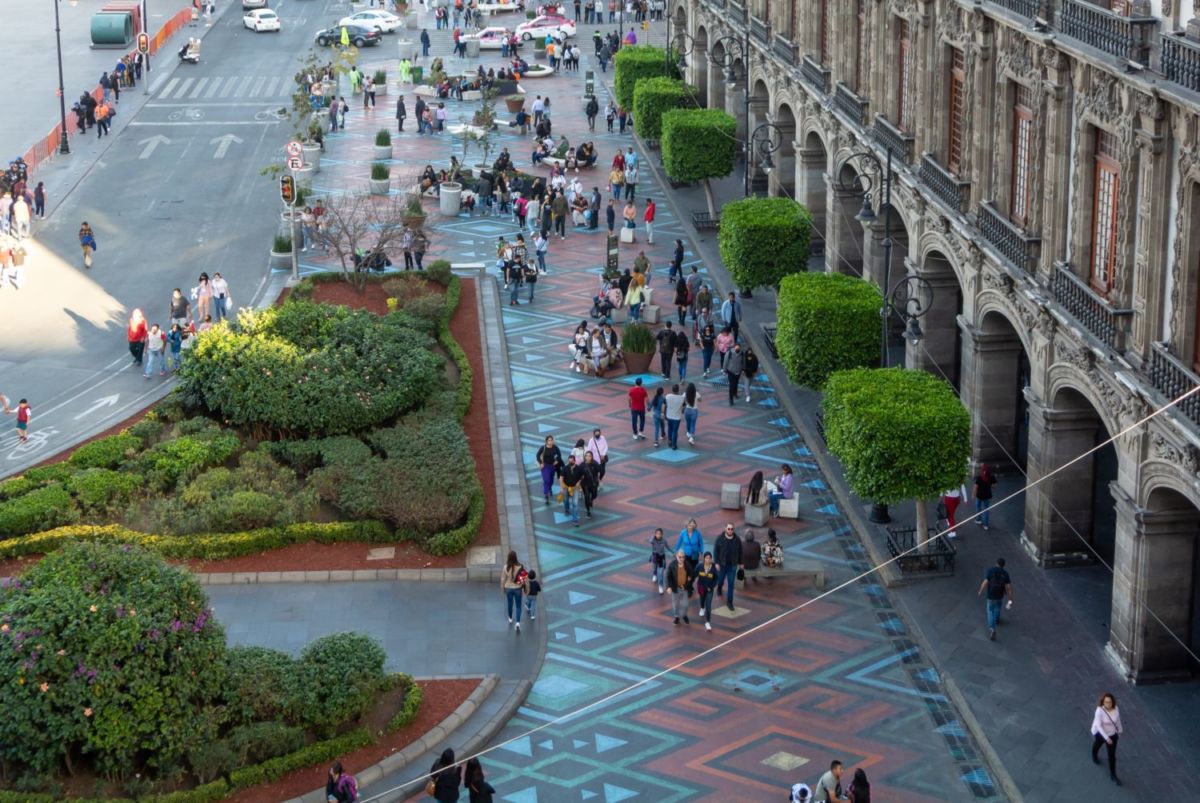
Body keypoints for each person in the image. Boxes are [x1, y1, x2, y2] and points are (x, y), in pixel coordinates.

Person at [1090, 692, 1123, 785]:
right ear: (1103, 702)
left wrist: (1120, 730)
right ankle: (1094, 754)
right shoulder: (1099, 710)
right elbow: (1099, 726)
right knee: (1097, 745)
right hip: (1101, 734)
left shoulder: (1116, 708)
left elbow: (1118, 720)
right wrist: (1106, 738)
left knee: (1112, 755)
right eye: (1106, 702)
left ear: (1113, 702)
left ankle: (1113, 775)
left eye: (1109, 702)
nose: (1108, 704)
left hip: (1112, 734)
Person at [977, 557, 1013, 641]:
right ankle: (996, 619)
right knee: (998, 607)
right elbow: (1008, 587)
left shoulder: (991, 570)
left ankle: (992, 629)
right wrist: (1010, 598)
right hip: (1000, 595)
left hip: (991, 595)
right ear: (1003, 565)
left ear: (996, 563)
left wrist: (980, 590)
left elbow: (985, 582)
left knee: (990, 611)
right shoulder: (1005, 573)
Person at [713, 524, 742, 611]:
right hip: (722, 565)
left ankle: (730, 602)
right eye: (728, 528)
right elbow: (715, 551)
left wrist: (741, 563)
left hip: (732, 566)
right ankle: (719, 587)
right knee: (720, 580)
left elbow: (740, 552)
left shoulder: (737, 540)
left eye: (732, 529)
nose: (730, 530)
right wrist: (716, 563)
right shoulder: (720, 538)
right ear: (725, 529)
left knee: (731, 583)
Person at [665, 549, 694, 625]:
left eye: (683, 557)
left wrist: (690, 578)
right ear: (676, 556)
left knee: (685, 605)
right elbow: (668, 576)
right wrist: (668, 587)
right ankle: (676, 617)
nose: (681, 559)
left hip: (684, 588)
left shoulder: (687, 565)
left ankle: (684, 615)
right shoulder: (672, 565)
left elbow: (691, 573)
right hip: (675, 588)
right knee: (675, 605)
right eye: (680, 557)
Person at [501, 551, 528, 631]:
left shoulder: (505, 567)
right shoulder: (520, 566)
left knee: (510, 604)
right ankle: (518, 623)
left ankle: (510, 618)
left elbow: (503, 579)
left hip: (508, 588)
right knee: (518, 606)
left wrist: (502, 588)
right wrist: (526, 588)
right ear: (516, 557)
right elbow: (524, 578)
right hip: (518, 588)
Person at [694, 552, 718, 631]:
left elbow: (716, 579)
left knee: (708, 605)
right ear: (704, 559)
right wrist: (689, 579)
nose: (708, 559)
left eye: (709, 558)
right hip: (701, 588)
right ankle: (702, 608)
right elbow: (694, 574)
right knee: (702, 600)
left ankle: (707, 622)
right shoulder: (699, 566)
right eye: (706, 558)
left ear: (711, 559)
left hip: (710, 590)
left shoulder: (713, 568)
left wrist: (711, 587)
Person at [536, 435, 562, 504]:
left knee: (551, 480)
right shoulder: (543, 447)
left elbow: (559, 456)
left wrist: (557, 461)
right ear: (546, 441)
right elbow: (537, 455)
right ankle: (546, 495)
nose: (550, 442)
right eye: (549, 440)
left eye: (551, 440)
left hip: (552, 466)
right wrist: (541, 463)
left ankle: (549, 488)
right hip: (545, 466)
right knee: (546, 480)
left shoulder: (555, 448)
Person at [560, 452, 583, 526]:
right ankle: (566, 509)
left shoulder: (579, 468)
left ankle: (575, 520)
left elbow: (582, 476)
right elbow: (561, 477)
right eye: (569, 461)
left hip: (575, 488)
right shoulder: (565, 468)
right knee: (565, 500)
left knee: (575, 503)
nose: (570, 462)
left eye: (572, 461)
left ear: (574, 461)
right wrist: (561, 487)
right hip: (566, 486)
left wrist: (579, 482)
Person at [973, 462, 997, 529]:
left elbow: (975, 487)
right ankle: (986, 525)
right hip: (987, 495)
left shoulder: (979, 477)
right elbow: (995, 485)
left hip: (979, 495)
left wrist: (973, 495)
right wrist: (990, 485)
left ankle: (979, 520)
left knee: (978, 507)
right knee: (986, 510)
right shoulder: (991, 476)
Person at [663, 383, 685, 450]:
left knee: (670, 429)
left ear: (672, 390)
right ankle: (674, 445)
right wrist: (682, 411)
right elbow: (684, 407)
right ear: (678, 390)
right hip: (677, 417)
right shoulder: (682, 398)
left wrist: (663, 413)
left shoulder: (667, 396)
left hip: (669, 416)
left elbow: (664, 405)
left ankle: (670, 441)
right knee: (675, 431)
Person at [649, 527, 668, 594]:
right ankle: (654, 574)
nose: (658, 535)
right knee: (654, 568)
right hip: (655, 556)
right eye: (657, 533)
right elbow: (650, 540)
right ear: (655, 534)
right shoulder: (653, 540)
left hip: (662, 558)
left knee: (661, 574)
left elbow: (668, 547)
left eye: (660, 534)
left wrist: (673, 553)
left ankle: (660, 586)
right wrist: (654, 537)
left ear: (662, 534)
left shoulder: (664, 541)